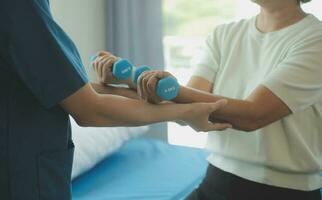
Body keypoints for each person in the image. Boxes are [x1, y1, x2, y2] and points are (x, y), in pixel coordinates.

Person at [0, 0, 233, 200]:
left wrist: (121, 90)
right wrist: (183, 114)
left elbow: (66, 92)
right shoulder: (20, 7)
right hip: (22, 176)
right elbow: (90, 110)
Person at [95, 0, 322, 199]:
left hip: (282, 191)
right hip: (216, 181)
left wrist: (166, 87)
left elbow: (252, 116)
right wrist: (125, 82)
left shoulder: (315, 39)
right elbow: (184, 110)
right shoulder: (224, 35)